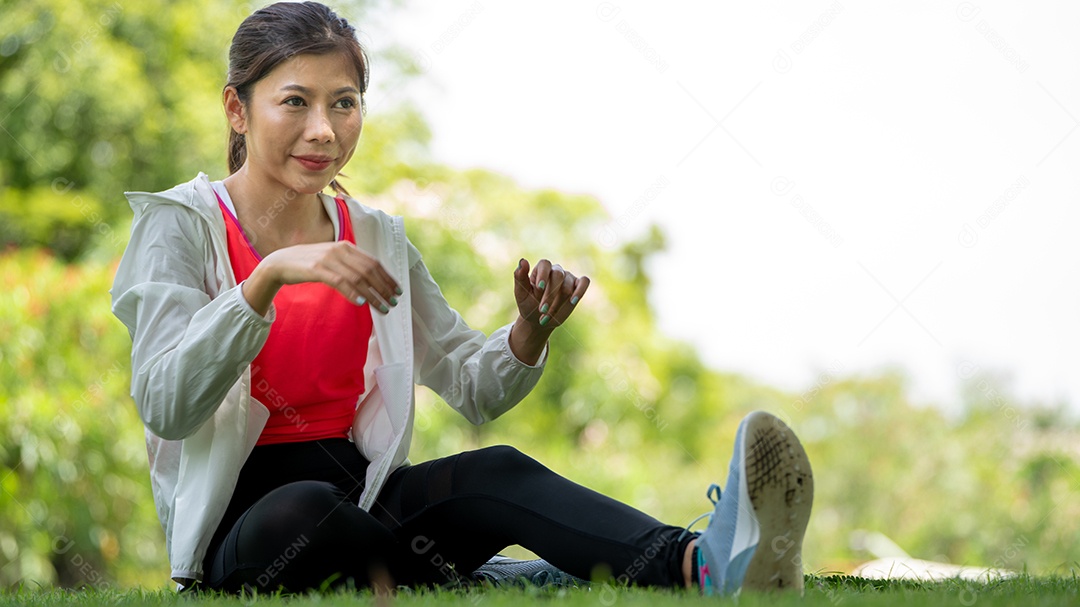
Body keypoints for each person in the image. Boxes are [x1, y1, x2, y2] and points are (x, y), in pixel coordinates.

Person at [110, 1, 814, 597]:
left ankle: (704, 564)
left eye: (344, 103)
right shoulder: (181, 224)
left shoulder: (377, 238)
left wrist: (528, 335)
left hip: (368, 508)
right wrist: (266, 279)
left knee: (495, 469)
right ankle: (493, 576)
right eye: (295, 101)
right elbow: (166, 401)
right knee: (310, 508)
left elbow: (472, 383)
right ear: (237, 108)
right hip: (252, 533)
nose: (324, 129)